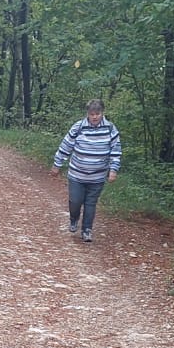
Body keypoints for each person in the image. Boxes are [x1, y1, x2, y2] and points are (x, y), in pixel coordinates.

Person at [53, 98, 121, 242]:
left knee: (91, 203)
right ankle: (74, 218)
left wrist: (113, 170)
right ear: (87, 114)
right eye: (92, 114)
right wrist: (57, 164)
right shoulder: (78, 127)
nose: (95, 116)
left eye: (98, 113)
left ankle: (87, 230)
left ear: (102, 113)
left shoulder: (110, 129)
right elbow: (66, 145)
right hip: (77, 174)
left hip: (97, 176)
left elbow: (115, 151)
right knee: (75, 201)